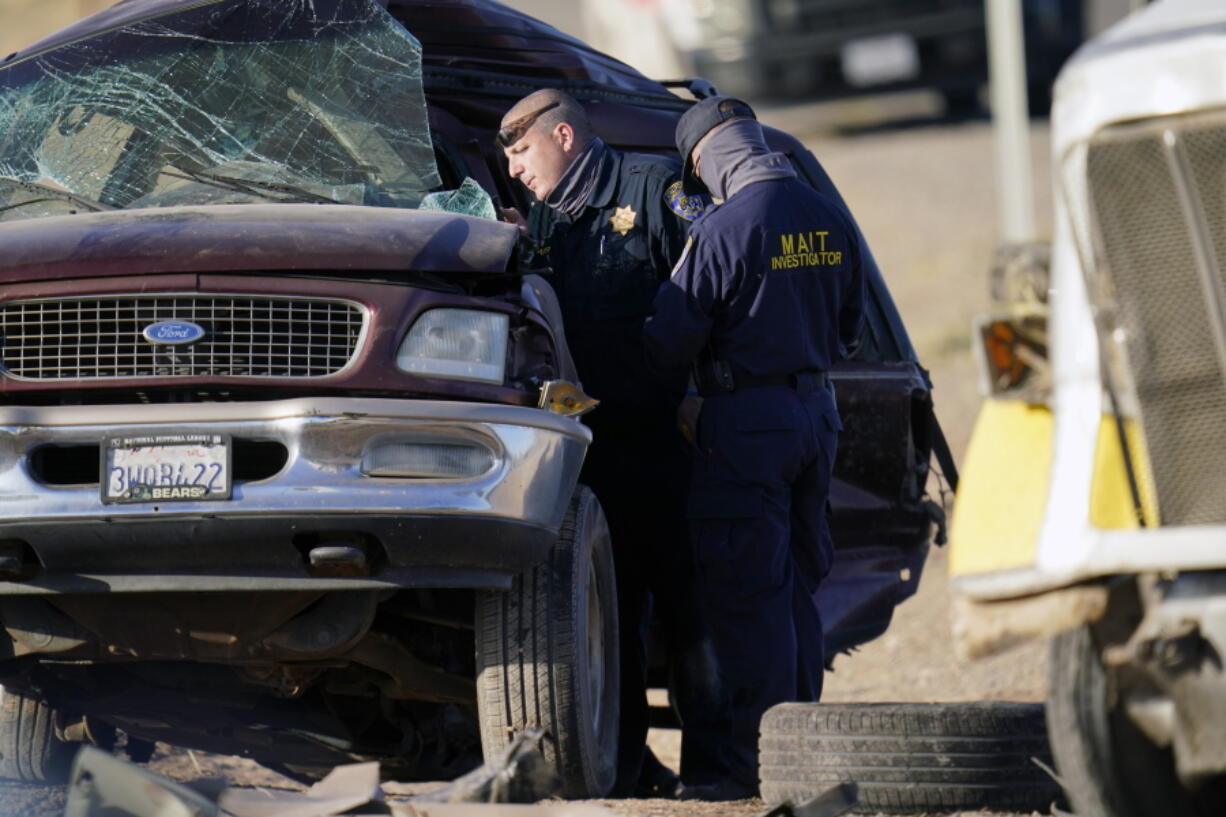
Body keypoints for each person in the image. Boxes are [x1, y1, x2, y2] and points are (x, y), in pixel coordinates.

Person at [498, 89, 723, 797]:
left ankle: (719, 767)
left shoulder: (655, 190)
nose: (513, 169)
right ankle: (626, 767)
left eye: (521, 151)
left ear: (563, 135)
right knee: (609, 617)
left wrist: (702, 400)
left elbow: (719, 290)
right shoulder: (544, 218)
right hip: (588, 451)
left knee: (693, 610)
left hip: (667, 442)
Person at [643, 96, 866, 799]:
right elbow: (854, 329)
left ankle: (753, 766)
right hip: (816, 414)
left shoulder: (724, 228)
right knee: (799, 590)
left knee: (749, 598)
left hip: (746, 424)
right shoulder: (831, 215)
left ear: (706, 159)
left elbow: (665, 341)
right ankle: (800, 754)